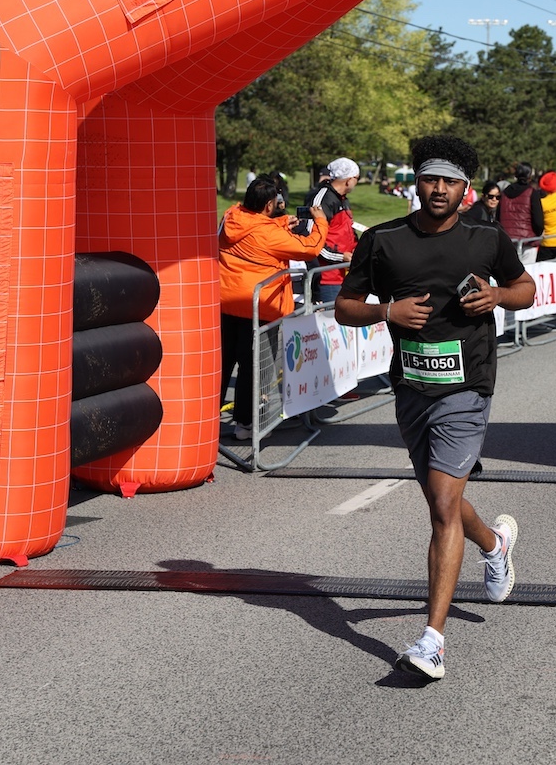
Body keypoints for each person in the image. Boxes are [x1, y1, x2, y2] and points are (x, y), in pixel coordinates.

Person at [333, 135, 536, 681]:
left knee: (442, 505)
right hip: (411, 387)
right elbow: (344, 306)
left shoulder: (486, 238)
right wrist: (387, 312)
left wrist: (498, 296)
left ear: (465, 190)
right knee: (442, 498)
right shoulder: (383, 240)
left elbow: (526, 287)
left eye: (450, 181)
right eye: (430, 179)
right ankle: (495, 544)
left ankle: (433, 641)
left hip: (468, 385)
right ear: (417, 184)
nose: (439, 189)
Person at [219, 176, 327, 439]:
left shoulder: (231, 216)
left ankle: (206, 421)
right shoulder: (269, 234)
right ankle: (246, 423)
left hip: (225, 303)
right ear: (269, 205)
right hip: (259, 308)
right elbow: (310, 248)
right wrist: (320, 221)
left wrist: (280, 223)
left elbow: (254, 227)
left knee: (221, 366)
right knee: (255, 368)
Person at [309, 157, 360, 303]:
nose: (357, 183)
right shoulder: (323, 199)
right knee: (332, 316)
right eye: (357, 178)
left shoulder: (343, 199)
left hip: (345, 274)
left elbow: (346, 230)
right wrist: (341, 257)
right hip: (328, 277)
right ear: (348, 180)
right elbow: (312, 241)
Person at [498, 162, 541, 248]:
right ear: (529, 175)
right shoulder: (532, 193)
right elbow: (538, 221)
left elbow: (498, 216)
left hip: (507, 240)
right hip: (527, 241)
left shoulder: (505, 192)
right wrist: (537, 234)